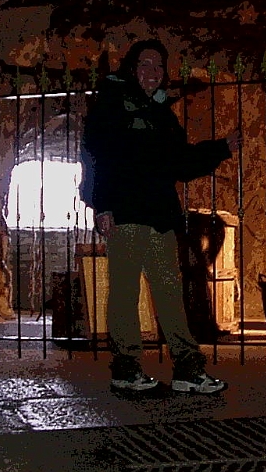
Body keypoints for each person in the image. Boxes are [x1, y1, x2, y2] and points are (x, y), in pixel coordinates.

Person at [80, 39, 242, 393]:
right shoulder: (111, 104)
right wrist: (101, 205)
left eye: (158, 66)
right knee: (124, 292)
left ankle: (187, 368)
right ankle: (126, 368)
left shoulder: (160, 113)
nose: (152, 73)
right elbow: (95, 156)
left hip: (160, 214)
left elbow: (179, 162)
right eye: (145, 64)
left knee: (170, 291)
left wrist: (220, 148)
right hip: (125, 212)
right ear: (131, 68)